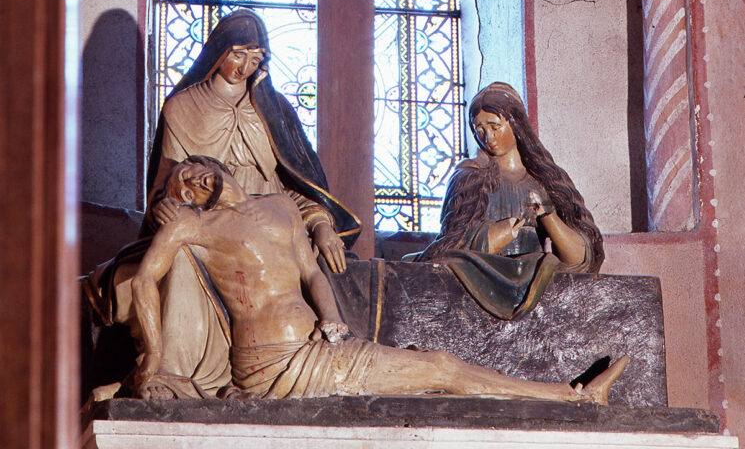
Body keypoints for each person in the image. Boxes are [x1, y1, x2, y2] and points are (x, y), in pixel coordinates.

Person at [130, 156, 628, 403]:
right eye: (184, 188)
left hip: (318, 349)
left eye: (193, 170)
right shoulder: (194, 226)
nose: (193, 182)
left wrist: (331, 319)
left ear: (214, 164)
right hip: (272, 365)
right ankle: (572, 396)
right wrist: (152, 359)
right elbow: (143, 281)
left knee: (432, 373)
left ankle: (570, 396)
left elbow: (311, 272)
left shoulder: (281, 207)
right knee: (438, 368)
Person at [85, 9, 359, 396]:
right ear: (218, 52)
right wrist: (164, 207)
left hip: (269, 226)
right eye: (237, 55)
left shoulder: (275, 110)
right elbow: (167, 187)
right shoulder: (182, 108)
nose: (244, 67)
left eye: (255, 58)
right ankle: (178, 374)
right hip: (207, 228)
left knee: (331, 270)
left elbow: (298, 188)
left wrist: (322, 224)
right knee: (179, 259)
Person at [414, 82, 603, 320]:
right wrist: (496, 234)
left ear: (515, 124)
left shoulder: (546, 180)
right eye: (479, 129)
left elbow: (581, 259)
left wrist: (549, 217)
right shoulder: (469, 175)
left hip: (537, 276)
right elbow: (451, 242)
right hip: (480, 275)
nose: (488, 137)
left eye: (495, 126)